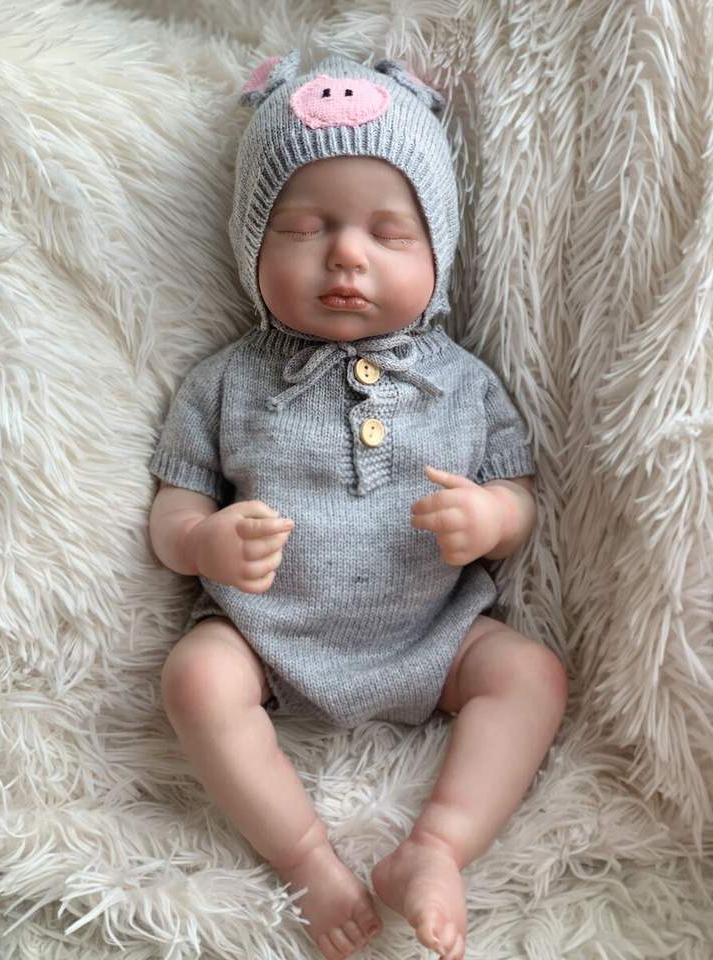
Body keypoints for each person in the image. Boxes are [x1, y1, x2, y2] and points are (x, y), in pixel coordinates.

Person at [147, 50, 568, 960]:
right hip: (266, 640)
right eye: (303, 228)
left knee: (531, 675)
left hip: (435, 637)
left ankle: (436, 847)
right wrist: (204, 542)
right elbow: (172, 515)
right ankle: (305, 857)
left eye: (389, 232)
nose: (345, 254)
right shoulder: (225, 383)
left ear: (439, 254)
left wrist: (494, 519)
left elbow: (522, 498)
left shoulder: (463, 381)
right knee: (195, 679)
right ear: (251, 246)